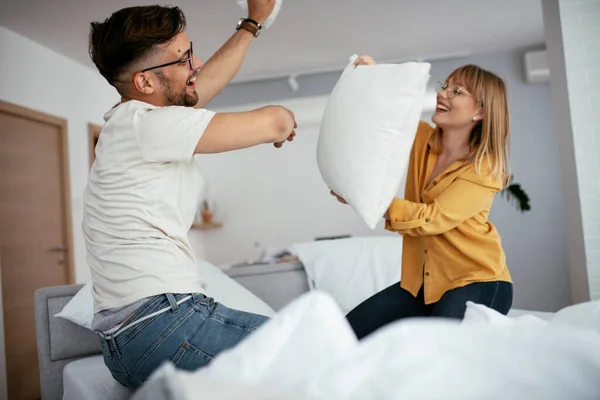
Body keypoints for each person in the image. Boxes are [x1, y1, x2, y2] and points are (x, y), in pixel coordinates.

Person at [83, 2, 296, 389]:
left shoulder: (130, 123)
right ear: (145, 83)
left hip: (132, 341)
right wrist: (283, 123)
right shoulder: (146, 125)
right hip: (162, 323)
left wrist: (253, 22)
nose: (195, 62)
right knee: (310, 345)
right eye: (183, 58)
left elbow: (206, 80)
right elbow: (274, 121)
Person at [331, 55, 513, 340]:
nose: (442, 93)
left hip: (477, 280)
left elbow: (434, 218)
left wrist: (371, 199)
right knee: (342, 333)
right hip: (423, 284)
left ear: (480, 111)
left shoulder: (485, 168)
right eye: (446, 86)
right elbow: (387, 113)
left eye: (457, 91)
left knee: (437, 352)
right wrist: (370, 74)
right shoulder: (421, 139)